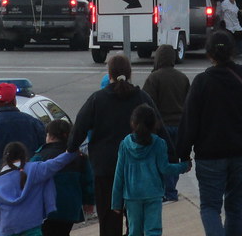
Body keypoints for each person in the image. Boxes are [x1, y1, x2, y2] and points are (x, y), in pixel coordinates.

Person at [177, 30, 242, 236]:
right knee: (236, 208)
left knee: (210, 207)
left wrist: (183, 153)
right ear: (232, 51)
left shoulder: (202, 82)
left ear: (209, 53)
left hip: (210, 155)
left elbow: (189, 122)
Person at [68, 54, 173, 236]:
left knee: (109, 222)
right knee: (137, 224)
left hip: (105, 169)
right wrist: (174, 156)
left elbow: (79, 129)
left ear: (109, 73)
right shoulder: (141, 97)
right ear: (130, 73)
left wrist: (71, 148)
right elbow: (160, 129)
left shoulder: (97, 99)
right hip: (138, 172)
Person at [111, 104, 191, 236]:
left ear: (133, 123)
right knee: (153, 230)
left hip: (132, 196)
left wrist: (116, 202)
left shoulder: (125, 144)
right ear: (154, 124)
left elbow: (119, 175)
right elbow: (165, 169)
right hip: (153, 193)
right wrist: (184, 166)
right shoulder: (159, 143)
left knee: (134, 231)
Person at [0, 141, 79, 236]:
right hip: (31, 225)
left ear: (5, 158)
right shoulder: (35, 170)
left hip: (7, 229)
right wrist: (72, 152)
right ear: (24, 155)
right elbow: (56, 163)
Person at [142, 44, 190, 202]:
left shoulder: (153, 78)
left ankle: (166, 192)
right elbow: (189, 104)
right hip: (180, 126)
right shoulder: (182, 77)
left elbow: (147, 105)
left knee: (161, 160)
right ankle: (171, 190)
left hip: (161, 127)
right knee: (174, 159)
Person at [31, 119, 94, 236]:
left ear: (50, 136)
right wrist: (89, 202)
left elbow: (28, 180)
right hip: (70, 210)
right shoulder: (80, 158)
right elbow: (88, 183)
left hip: (46, 210)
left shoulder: (40, 157)